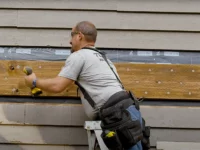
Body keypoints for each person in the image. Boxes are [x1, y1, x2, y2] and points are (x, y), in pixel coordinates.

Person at [24, 21, 145, 150]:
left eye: (72, 35)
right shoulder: (103, 58)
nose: (70, 41)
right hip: (130, 112)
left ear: (79, 36)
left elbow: (57, 86)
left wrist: (34, 81)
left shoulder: (79, 56)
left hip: (118, 117)